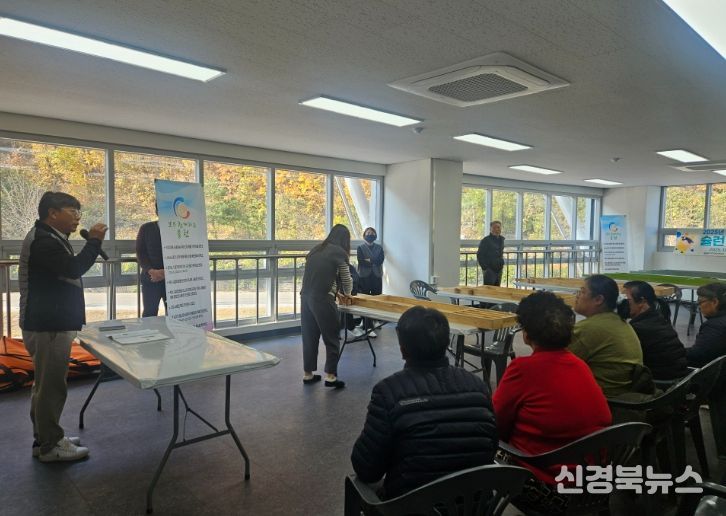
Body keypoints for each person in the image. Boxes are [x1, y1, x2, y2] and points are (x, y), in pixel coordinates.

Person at [351, 306, 497, 499]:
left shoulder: (388, 393)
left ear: (403, 350)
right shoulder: (479, 387)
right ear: (446, 343)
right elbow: (491, 447)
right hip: (474, 504)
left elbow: (366, 469)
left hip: (412, 505)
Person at [493, 291, 611, 512]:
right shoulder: (579, 365)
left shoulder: (522, 369)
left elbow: (496, 425)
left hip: (549, 490)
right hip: (593, 485)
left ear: (526, 334)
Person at [19, 191, 107, 462]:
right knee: (51, 387)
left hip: (50, 322)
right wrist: (94, 241)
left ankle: (45, 437)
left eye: (79, 212)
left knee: (45, 385)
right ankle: (50, 446)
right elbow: (73, 268)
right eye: (73, 211)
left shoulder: (52, 237)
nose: (78, 217)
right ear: (53, 213)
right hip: (48, 325)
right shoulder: (44, 241)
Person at [568, 275, 643, 397]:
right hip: (625, 396)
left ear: (598, 299)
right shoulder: (618, 321)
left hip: (606, 399)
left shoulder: (589, 328)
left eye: (582, 292)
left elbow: (555, 363)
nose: (577, 296)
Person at [300, 224, 353, 389]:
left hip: (305, 297)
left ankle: (308, 374)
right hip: (322, 299)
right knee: (332, 337)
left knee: (309, 336)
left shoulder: (316, 249)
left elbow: (318, 276)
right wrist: (348, 294)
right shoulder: (339, 253)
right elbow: (346, 278)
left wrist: (336, 292)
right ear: (345, 239)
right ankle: (331, 376)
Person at [622, 281, 688, 380]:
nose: (624, 304)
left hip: (660, 382)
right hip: (679, 378)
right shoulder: (658, 318)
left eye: (628, 300)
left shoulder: (639, 328)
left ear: (642, 301)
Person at [686, 282, 726, 368]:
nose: (699, 306)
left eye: (700, 302)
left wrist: (673, 352)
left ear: (714, 302)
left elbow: (697, 354)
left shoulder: (714, 326)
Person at [355, 227, 384, 338]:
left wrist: (369, 260)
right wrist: (373, 261)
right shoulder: (360, 248)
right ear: (364, 235)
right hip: (364, 276)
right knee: (365, 299)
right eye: (368, 233)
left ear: (375, 235)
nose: (370, 235)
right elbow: (361, 261)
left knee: (376, 299)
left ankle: (375, 320)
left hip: (376, 276)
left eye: (372, 233)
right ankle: (366, 324)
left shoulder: (379, 248)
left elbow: (380, 260)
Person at [136, 212, 166, 317]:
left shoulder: (180, 229)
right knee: (149, 313)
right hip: (151, 278)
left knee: (176, 314)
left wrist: (168, 273)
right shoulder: (146, 228)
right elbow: (140, 252)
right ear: (157, 211)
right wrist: (151, 271)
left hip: (174, 280)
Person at [476, 221, 505, 286]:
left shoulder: (501, 240)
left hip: (499, 269)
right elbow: (480, 255)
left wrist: (501, 263)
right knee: (488, 289)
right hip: (490, 270)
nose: (496, 229)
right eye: (494, 227)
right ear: (490, 229)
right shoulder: (486, 240)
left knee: (497, 289)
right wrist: (485, 268)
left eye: (498, 227)